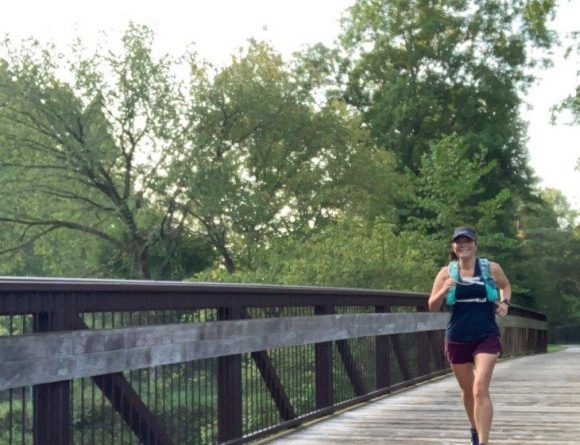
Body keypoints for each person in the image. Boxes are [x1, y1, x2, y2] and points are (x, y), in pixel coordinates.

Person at [428, 227, 511, 445]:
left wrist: (505, 303)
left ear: (476, 244)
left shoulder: (491, 268)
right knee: (467, 391)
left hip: (486, 334)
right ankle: (475, 431)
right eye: (458, 242)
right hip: (457, 337)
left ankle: (483, 442)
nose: (463, 245)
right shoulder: (446, 272)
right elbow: (432, 305)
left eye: (468, 241)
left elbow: (506, 285)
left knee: (479, 388)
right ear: (453, 247)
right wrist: (443, 290)